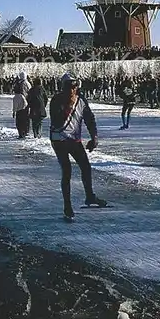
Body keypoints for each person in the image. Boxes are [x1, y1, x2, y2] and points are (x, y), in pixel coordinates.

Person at [50, 72, 107, 220]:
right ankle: (67, 205)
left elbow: (89, 119)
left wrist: (94, 137)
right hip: (59, 140)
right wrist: (67, 107)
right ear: (62, 88)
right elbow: (56, 122)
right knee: (67, 170)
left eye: (74, 86)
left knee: (86, 167)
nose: (71, 90)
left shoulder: (81, 101)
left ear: (77, 87)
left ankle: (90, 196)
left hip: (74, 140)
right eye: (68, 87)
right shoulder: (56, 100)